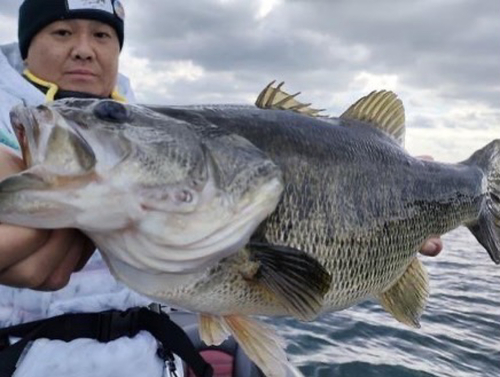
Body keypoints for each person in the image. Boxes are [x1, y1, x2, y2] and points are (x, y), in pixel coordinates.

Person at [0, 1, 443, 376]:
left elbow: (303, 288)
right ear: (27, 44)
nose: (83, 50)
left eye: (101, 34)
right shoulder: (36, 130)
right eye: (61, 31)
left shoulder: (155, 127)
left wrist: (412, 196)